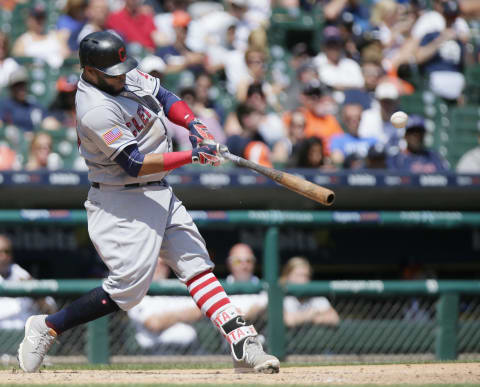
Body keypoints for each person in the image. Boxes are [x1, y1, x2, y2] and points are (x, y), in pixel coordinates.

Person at [17, 31, 279, 374]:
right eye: (113, 71)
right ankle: (49, 326)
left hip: (157, 191)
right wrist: (193, 156)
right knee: (128, 291)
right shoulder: (94, 108)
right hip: (120, 200)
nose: (122, 74)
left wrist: (194, 123)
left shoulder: (119, 73)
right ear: (90, 71)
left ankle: (242, 341)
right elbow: (135, 163)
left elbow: (165, 95)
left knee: (196, 263)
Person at [128, 258, 203, 354]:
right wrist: (182, 316)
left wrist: (167, 318)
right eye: (155, 264)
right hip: (152, 352)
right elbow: (154, 324)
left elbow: (198, 311)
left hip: (188, 351)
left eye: (163, 264)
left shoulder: (174, 287)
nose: (159, 268)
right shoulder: (138, 292)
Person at [0, 234, 56, 330]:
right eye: (0, 252)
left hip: (24, 336)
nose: (4, 256)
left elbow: (52, 311)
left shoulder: (22, 275)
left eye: (7, 252)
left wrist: (36, 294)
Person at [280, 257, 340, 328]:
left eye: (306, 276)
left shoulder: (316, 298)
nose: (303, 280)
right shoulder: (277, 295)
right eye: (299, 275)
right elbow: (288, 321)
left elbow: (335, 319)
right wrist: (312, 313)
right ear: (287, 276)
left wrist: (308, 318)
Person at [11, 3, 70, 68]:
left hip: (55, 72)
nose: (40, 21)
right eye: (36, 18)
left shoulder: (56, 36)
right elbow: (19, 62)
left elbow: (67, 57)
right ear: (29, 20)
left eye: (42, 17)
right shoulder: (23, 40)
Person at [0, 67, 45, 135]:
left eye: (23, 85)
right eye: (17, 86)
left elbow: (48, 121)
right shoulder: (4, 104)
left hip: (33, 140)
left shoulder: (33, 104)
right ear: (11, 88)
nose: (21, 89)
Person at [330, 102, 378, 166]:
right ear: (344, 120)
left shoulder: (372, 140)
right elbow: (337, 160)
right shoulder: (337, 140)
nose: (354, 121)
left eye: (357, 118)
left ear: (361, 119)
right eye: (349, 118)